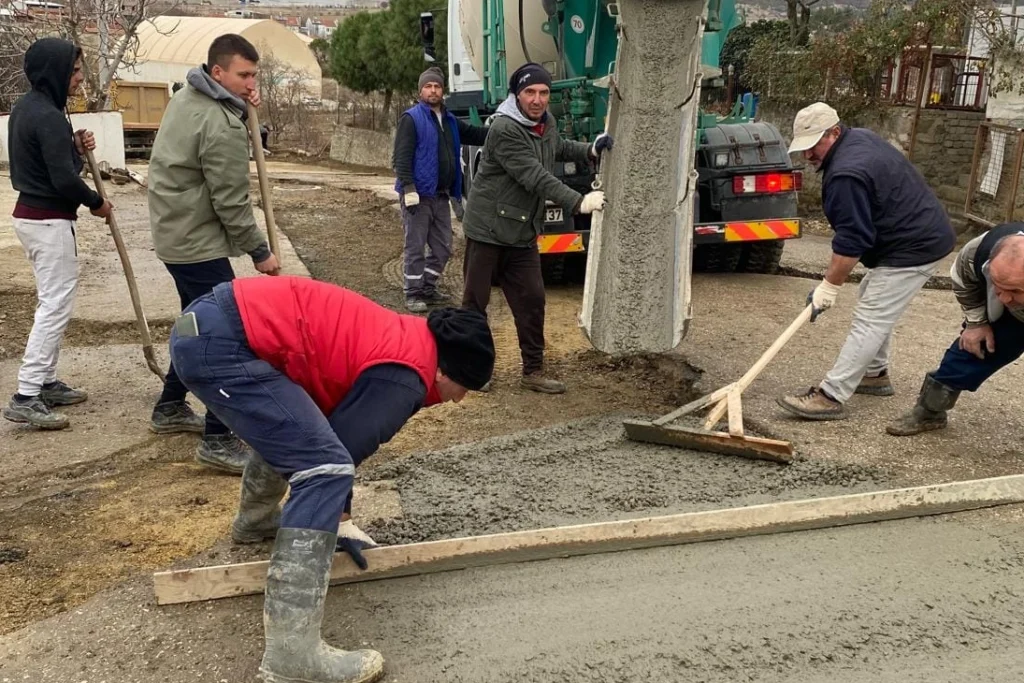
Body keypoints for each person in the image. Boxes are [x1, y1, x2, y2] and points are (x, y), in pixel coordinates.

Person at [168, 275, 494, 683]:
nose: (460, 399)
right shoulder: (406, 373)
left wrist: (339, 518)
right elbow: (339, 453)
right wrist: (338, 519)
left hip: (209, 326)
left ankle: (255, 522)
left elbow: (324, 429)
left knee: (301, 436)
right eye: (465, 387)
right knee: (323, 469)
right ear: (447, 369)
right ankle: (292, 655)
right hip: (221, 344)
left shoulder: (403, 341)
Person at [147, 34, 280, 474]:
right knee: (221, 334)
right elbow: (231, 202)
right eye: (243, 75)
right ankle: (217, 438)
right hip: (194, 240)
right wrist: (260, 251)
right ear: (217, 72)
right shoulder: (218, 121)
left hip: (175, 232)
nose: (250, 83)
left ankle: (168, 407)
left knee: (196, 321)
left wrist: (242, 107)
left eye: (254, 75)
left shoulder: (190, 95)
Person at [777, 101, 956, 420]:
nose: (808, 156)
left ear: (834, 132)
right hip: (915, 234)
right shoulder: (858, 137)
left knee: (872, 315)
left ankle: (831, 395)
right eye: (803, 148)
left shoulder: (847, 173)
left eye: (814, 145)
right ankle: (874, 375)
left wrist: (829, 287)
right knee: (871, 298)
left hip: (914, 245)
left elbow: (852, 241)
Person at [460, 62, 611, 394]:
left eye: (544, 92)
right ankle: (474, 370)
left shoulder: (546, 123)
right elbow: (534, 175)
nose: (538, 99)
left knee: (532, 299)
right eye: (530, 92)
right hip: (487, 229)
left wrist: (589, 149)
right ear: (516, 95)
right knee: (475, 302)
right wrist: (578, 202)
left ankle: (533, 371)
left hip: (522, 231)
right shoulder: (504, 129)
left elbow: (556, 147)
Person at [2, 37, 114, 430]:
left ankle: (46, 382)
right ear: (57, 71)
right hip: (47, 221)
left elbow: (50, 159)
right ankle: (27, 394)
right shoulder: (47, 115)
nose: (80, 78)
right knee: (54, 306)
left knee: (53, 302)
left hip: (36, 218)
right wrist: (96, 203)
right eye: (76, 70)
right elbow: (63, 180)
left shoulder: (31, 108)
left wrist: (73, 145)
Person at [888, 223, 1024, 436]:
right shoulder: (977, 252)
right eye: (999, 284)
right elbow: (964, 281)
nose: (1006, 297)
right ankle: (930, 412)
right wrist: (976, 323)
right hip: (1008, 318)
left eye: (1015, 289)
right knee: (973, 349)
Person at [393, 66, 489, 313]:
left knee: (443, 246)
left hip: (441, 195)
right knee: (415, 246)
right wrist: (408, 188)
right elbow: (401, 157)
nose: (433, 90)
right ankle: (413, 292)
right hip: (418, 197)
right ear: (420, 90)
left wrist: (503, 131)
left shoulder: (449, 120)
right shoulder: (411, 119)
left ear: (442, 90)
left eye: (437, 86)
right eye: (428, 86)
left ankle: (427, 286)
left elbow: (477, 134)